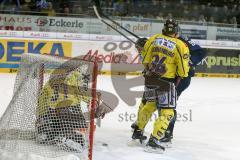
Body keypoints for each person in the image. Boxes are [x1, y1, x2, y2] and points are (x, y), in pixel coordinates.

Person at [133, 26, 207, 145]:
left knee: (167, 106)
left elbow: (202, 52)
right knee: (153, 102)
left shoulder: (182, 40)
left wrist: (189, 63)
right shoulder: (163, 39)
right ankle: (142, 129)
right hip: (164, 77)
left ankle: (167, 132)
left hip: (179, 79)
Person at [131, 18, 190, 153]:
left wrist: (149, 70)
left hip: (150, 79)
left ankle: (138, 131)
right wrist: (182, 75)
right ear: (176, 31)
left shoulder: (153, 38)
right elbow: (182, 68)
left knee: (150, 105)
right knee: (168, 112)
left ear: (164, 28)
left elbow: (145, 58)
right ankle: (154, 140)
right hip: (166, 82)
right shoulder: (180, 45)